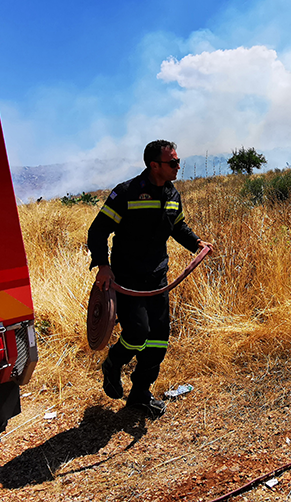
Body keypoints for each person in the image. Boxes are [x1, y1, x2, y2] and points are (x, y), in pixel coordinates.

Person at [87, 140, 214, 418]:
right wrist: (103, 266)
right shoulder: (126, 193)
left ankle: (140, 395)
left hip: (158, 278)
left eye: (178, 161)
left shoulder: (172, 194)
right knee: (136, 333)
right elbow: (98, 231)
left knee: (158, 339)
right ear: (154, 165)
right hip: (127, 278)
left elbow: (177, 225)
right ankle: (113, 364)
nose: (179, 166)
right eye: (173, 163)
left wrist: (196, 243)